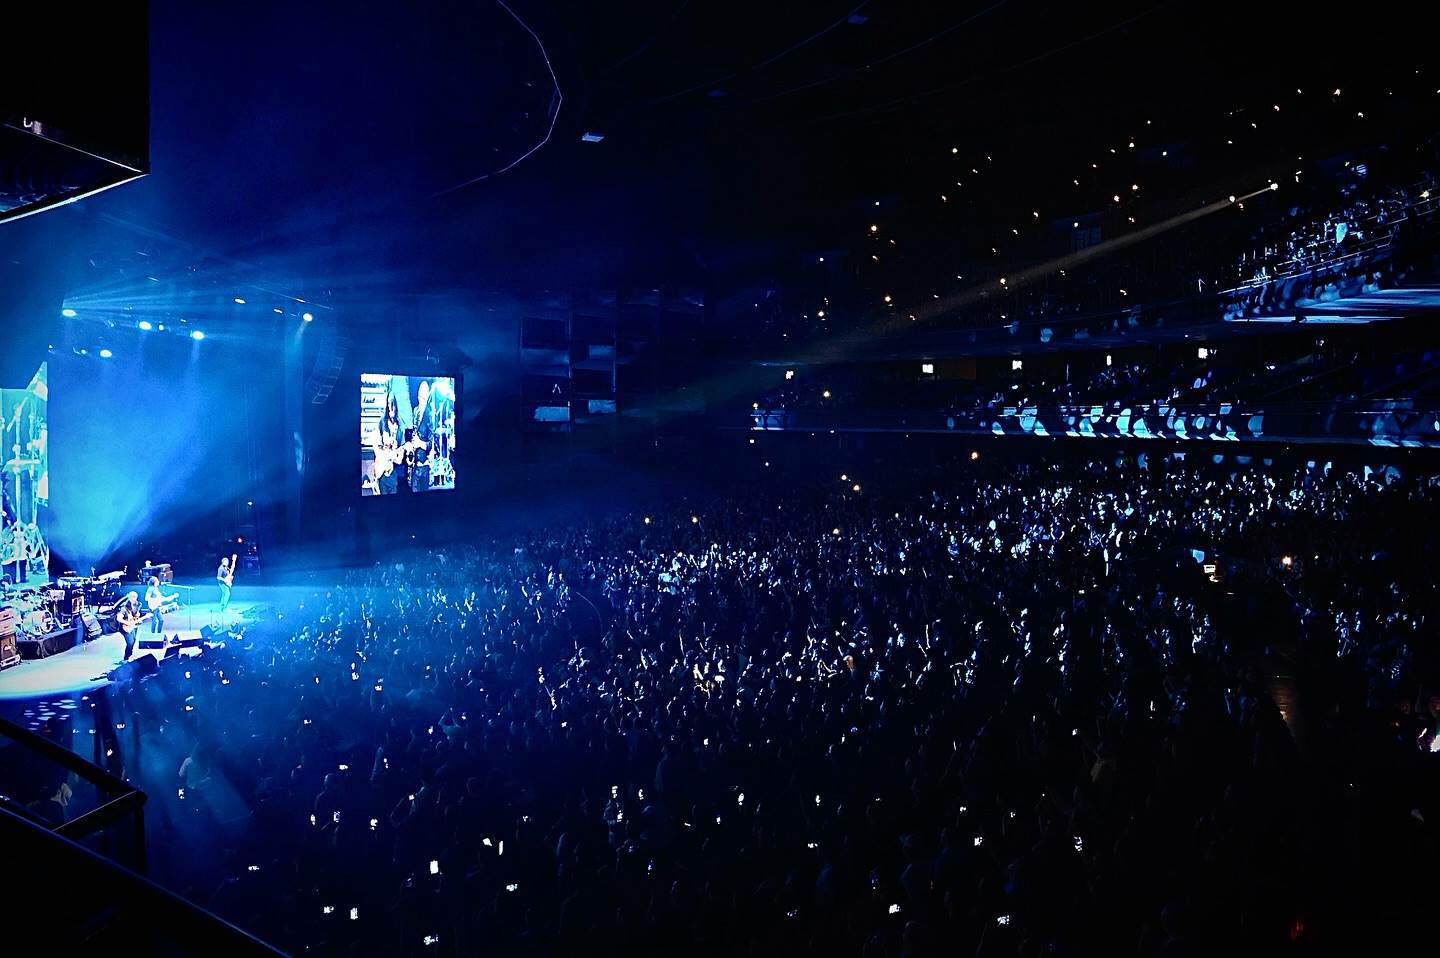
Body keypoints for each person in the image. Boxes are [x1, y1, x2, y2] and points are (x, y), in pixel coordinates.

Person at [408, 379, 434, 493]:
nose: (420, 396)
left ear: (428, 395)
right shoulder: (415, 410)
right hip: (414, 465)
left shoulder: (431, 413)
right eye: (419, 393)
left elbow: (434, 442)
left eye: (423, 394)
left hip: (425, 466)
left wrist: (421, 444)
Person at [116, 591, 142, 660]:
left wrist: (137, 615)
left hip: (133, 625)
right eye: (132, 597)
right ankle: (126, 658)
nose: (134, 598)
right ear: (129, 597)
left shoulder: (138, 604)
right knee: (130, 642)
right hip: (125, 627)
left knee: (133, 641)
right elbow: (118, 618)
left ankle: (129, 656)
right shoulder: (124, 607)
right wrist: (127, 623)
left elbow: (136, 614)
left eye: (135, 597)